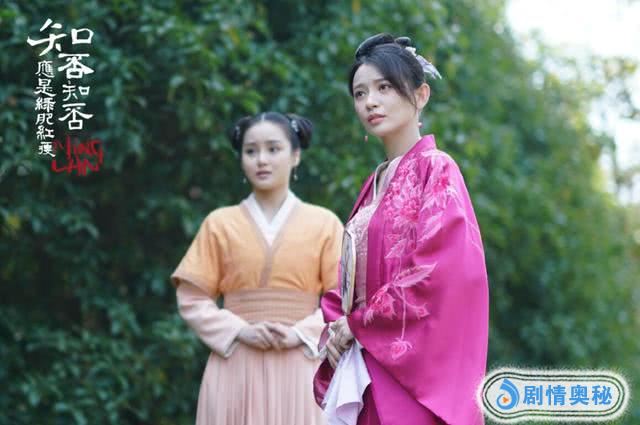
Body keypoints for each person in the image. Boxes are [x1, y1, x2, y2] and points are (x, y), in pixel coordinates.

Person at [313, 34, 489, 425]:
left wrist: (359, 324)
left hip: (407, 369)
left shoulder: (436, 168)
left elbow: (439, 271)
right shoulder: (373, 184)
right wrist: (337, 327)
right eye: (360, 93)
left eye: (385, 88)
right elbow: (348, 283)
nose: (370, 102)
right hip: (364, 362)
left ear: (421, 94)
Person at [171, 111, 343, 425]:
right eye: (251, 151)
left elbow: (343, 300)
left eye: (273, 149)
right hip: (235, 361)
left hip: (302, 363)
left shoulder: (325, 223)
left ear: (296, 155)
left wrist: (301, 334)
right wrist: (240, 331)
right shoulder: (219, 224)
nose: (261, 159)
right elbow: (192, 297)